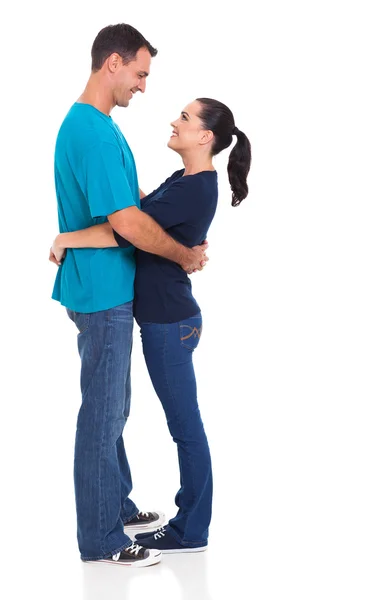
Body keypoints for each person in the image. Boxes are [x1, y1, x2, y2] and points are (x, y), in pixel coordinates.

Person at [51, 97, 252, 553]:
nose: (173, 121)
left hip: (169, 326)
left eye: (184, 117)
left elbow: (130, 230)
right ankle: (164, 516)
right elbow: (141, 209)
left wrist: (66, 237)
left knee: (185, 426)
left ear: (205, 136)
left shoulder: (197, 188)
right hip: (165, 320)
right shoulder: (185, 179)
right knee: (169, 420)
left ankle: (191, 529)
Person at [51, 23, 208, 567]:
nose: (143, 86)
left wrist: (171, 222)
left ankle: (113, 502)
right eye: (140, 73)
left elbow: (133, 200)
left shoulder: (100, 126)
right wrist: (185, 255)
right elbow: (127, 223)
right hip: (102, 289)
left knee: (111, 407)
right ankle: (102, 539)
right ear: (112, 63)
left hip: (104, 283)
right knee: (103, 414)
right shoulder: (92, 132)